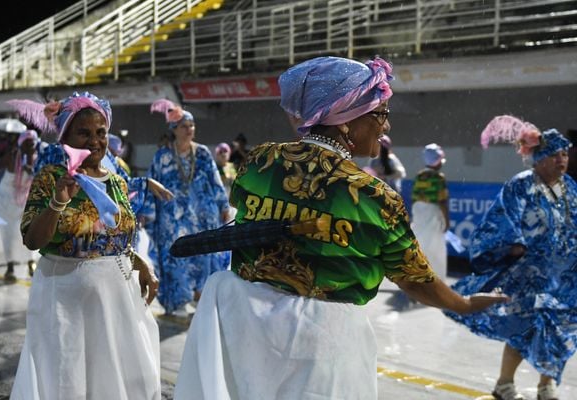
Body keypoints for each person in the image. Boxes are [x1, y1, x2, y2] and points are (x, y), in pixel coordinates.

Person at [173, 56, 508, 400]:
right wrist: (463, 304)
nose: (386, 126)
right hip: (320, 352)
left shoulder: (259, 162)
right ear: (346, 121)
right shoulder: (373, 197)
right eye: (380, 114)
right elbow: (415, 280)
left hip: (243, 336)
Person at [10, 92, 161, 399]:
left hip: (118, 300)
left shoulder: (117, 182)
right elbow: (33, 239)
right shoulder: (52, 178)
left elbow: (116, 238)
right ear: (65, 136)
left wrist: (138, 262)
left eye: (101, 132)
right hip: (68, 304)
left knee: (125, 381)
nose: (95, 141)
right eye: (84, 133)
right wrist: (57, 202)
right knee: (71, 382)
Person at [444, 115, 577, 400]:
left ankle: (547, 384)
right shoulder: (521, 185)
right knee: (523, 327)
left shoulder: (571, 188)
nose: (561, 159)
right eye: (554, 154)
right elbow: (500, 220)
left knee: (560, 330)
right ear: (539, 157)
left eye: (564, 154)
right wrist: (513, 245)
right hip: (528, 274)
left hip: (564, 276)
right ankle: (505, 384)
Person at [143, 99, 231, 317]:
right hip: (171, 219)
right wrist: (147, 213)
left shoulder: (201, 153)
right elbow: (151, 184)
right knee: (174, 258)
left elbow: (214, 181)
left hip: (201, 216)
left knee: (203, 257)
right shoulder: (162, 156)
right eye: (184, 126)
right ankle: (177, 301)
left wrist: (223, 205)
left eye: (191, 125)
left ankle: (201, 296)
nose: (189, 129)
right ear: (174, 129)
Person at [0, 130, 38, 282]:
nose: (31, 146)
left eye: (32, 143)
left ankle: (31, 263)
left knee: (29, 230)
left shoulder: (37, 158)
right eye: (27, 143)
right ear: (21, 143)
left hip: (24, 201)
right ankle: (10, 267)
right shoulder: (11, 157)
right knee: (9, 234)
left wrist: (31, 171)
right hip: (5, 201)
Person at [410, 143, 450, 279]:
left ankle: (420, 279)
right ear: (438, 161)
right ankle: (436, 282)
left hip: (419, 215)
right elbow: (442, 201)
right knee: (436, 251)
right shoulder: (439, 178)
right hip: (433, 216)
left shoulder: (419, 175)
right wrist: (447, 221)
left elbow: (415, 199)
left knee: (421, 247)